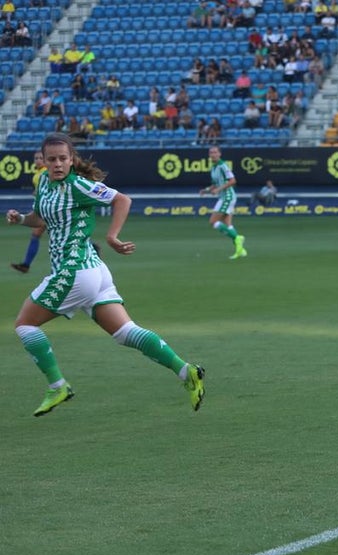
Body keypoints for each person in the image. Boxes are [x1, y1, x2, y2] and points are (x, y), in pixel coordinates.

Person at [6, 133, 205, 417]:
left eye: (64, 158)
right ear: (43, 162)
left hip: (74, 271)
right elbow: (40, 218)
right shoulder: (44, 185)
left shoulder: (78, 185)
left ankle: (57, 385)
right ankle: (186, 371)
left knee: (25, 324)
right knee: (125, 333)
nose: (58, 164)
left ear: (72, 159)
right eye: (52, 159)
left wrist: (112, 236)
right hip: (94, 272)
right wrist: (22, 219)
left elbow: (122, 199)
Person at [199, 146, 248, 259]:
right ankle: (240, 250)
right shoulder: (214, 167)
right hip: (223, 197)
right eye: (211, 152)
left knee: (213, 221)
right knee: (228, 225)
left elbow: (233, 181)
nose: (213, 154)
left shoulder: (223, 166)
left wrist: (219, 189)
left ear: (220, 154)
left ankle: (237, 238)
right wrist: (206, 190)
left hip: (227, 197)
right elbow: (215, 184)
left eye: (215, 152)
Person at [10, 150, 48, 274]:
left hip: (47, 209)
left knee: (41, 234)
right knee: (37, 234)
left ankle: (26, 265)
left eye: (40, 158)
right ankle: (26, 264)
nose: (37, 160)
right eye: (36, 158)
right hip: (43, 209)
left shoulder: (45, 173)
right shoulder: (39, 173)